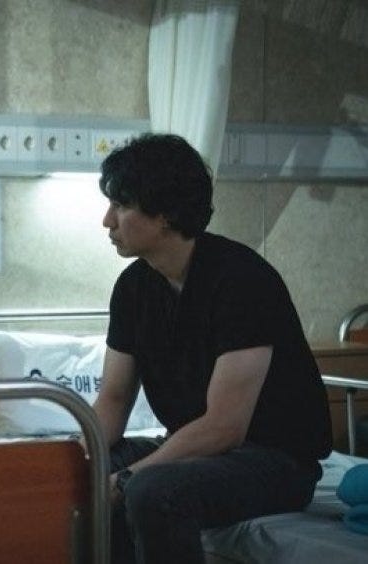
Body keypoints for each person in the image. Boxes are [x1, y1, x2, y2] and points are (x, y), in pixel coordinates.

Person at [93, 133, 332, 563]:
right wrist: (70, 455)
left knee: (150, 491)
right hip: (200, 451)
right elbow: (112, 399)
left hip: (273, 460)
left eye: (121, 206)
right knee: (82, 469)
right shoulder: (133, 288)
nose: (107, 221)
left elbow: (225, 427)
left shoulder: (241, 281)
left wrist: (128, 478)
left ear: (165, 215)